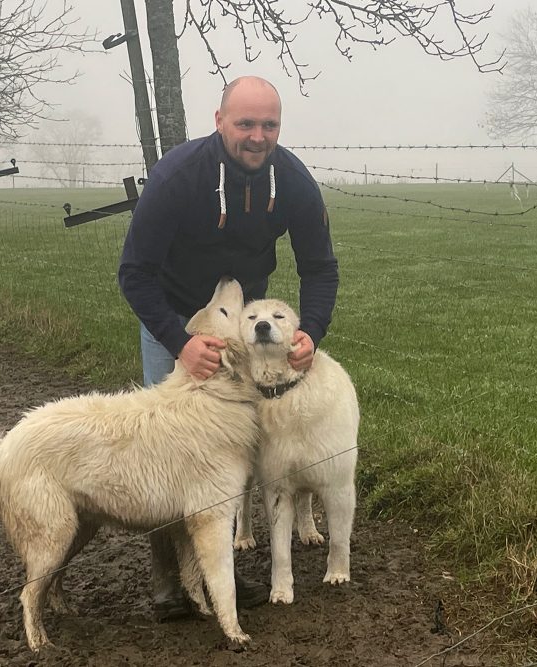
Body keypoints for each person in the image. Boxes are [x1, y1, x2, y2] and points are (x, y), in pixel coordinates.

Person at [117, 75, 340, 621]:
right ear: (219, 121)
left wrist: (311, 330)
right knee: (172, 448)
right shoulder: (177, 176)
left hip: (245, 327)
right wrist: (179, 342)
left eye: (269, 125)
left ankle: (221, 570)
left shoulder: (292, 181)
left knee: (235, 446)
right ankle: (170, 581)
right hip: (173, 315)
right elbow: (134, 273)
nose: (257, 136)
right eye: (245, 123)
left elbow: (320, 269)